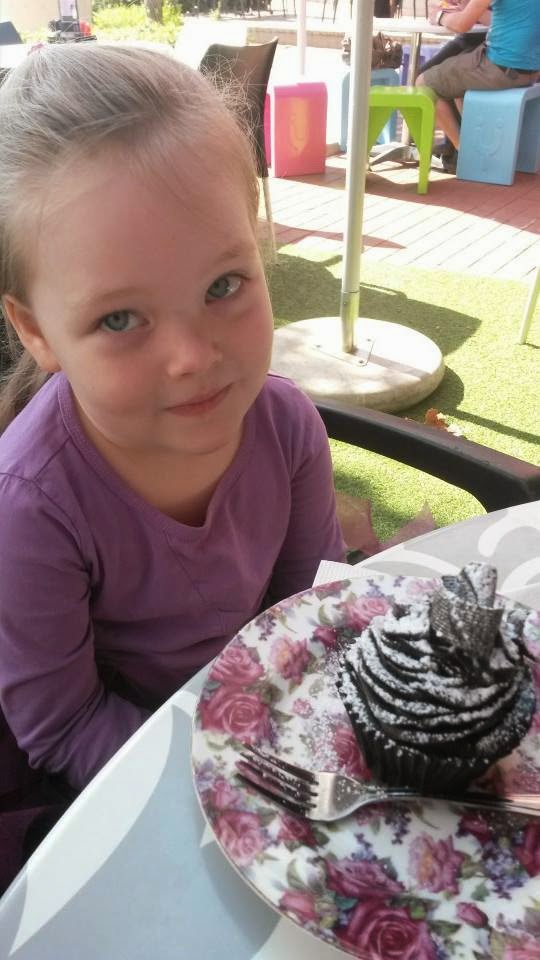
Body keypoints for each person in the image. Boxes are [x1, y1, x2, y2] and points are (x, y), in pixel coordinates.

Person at [0, 44, 346, 892]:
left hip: (272, 742)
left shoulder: (288, 428)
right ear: (36, 331)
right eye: (121, 319)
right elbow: (63, 723)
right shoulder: (28, 509)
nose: (193, 357)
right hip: (117, 778)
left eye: (224, 285)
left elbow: (310, 622)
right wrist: (228, 784)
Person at [417, 0, 540, 167]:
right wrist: (468, 9)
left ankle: (465, 154)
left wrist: (439, 16)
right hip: (529, 72)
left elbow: (462, 25)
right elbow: (502, 17)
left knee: (423, 83)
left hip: (500, 67)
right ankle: (477, 146)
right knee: (459, 81)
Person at [418, 0, 491, 172]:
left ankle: (460, 151)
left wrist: (466, 10)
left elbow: (496, 19)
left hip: (488, 44)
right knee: (424, 74)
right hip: (466, 38)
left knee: (446, 83)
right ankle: (449, 144)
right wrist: (456, 7)